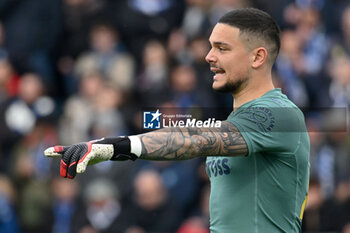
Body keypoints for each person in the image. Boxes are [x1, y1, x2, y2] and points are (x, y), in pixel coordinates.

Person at [45, 8, 310, 233]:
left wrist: (113, 147)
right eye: (210, 46)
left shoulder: (279, 115)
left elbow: (192, 140)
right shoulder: (236, 120)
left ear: (257, 57)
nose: (209, 56)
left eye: (222, 48)